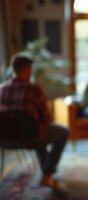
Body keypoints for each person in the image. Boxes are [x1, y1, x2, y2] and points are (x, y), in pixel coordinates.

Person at [0, 56, 68, 192]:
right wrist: (42, 125)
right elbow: (47, 118)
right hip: (31, 138)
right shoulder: (34, 89)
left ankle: (46, 171)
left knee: (38, 130)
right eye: (30, 69)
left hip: (5, 139)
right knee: (62, 132)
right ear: (26, 70)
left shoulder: (1, 89)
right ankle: (48, 174)